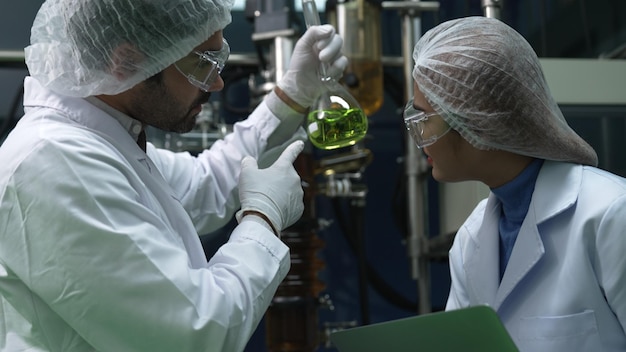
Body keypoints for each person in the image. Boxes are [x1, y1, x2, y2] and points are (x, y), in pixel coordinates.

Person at [0, 0, 348, 351]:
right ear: (125, 62)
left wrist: (292, 95)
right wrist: (262, 218)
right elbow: (195, 332)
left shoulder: (106, 140)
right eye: (202, 63)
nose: (217, 84)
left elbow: (202, 185)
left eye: (219, 58)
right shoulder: (56, 163)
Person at [405, 16, 626, 351]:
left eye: (424, 119)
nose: (419, 139)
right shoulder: (472, 238)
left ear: (478, 125)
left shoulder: (611, 213)